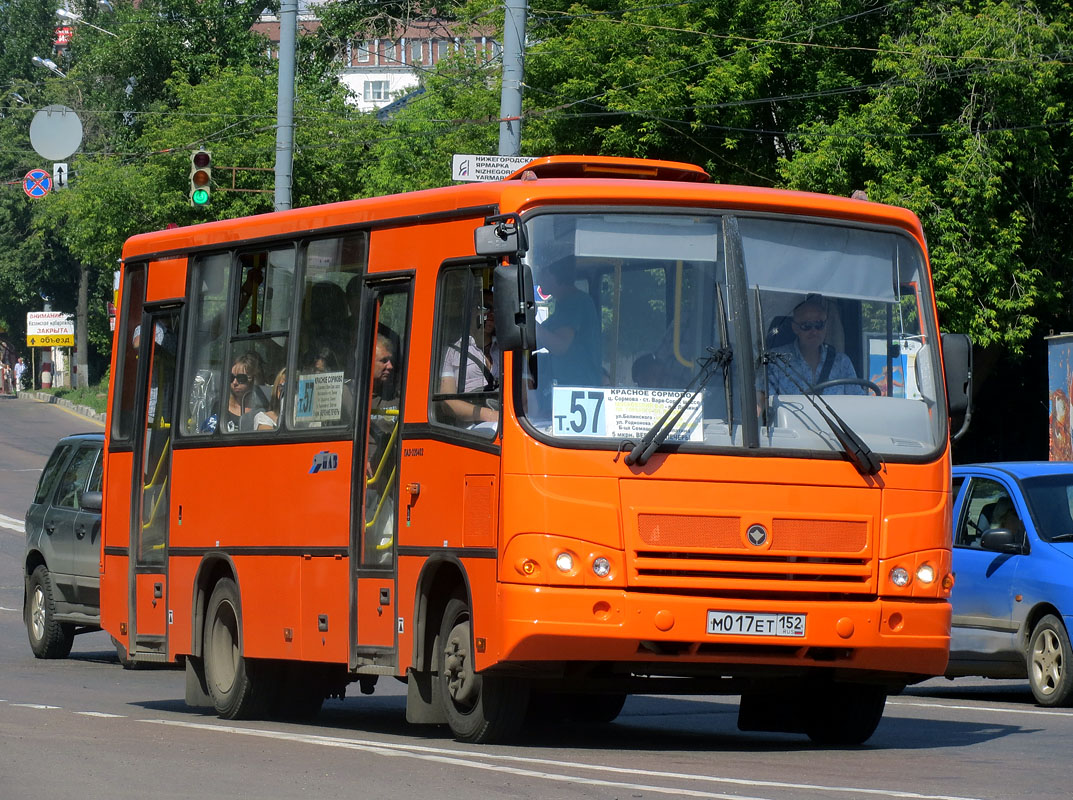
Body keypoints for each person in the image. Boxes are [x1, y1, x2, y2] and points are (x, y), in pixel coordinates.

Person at [765, 294, 864, 397]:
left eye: (819, 325)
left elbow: (859, 403)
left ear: (826, 326)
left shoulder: (842, 362)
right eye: (806, 325)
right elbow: (763, 404)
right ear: (795, 328)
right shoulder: (775, 362)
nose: (814, 331)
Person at [536, 257, 602, 387]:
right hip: (567, 385)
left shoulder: (576, 302)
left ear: (552, 274)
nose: (538, 278)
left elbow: (560, 346)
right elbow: (537, 340)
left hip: (579, 388)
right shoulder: (562, 305)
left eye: (541, 271)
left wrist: (529, 323)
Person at [439, 289, 499, 426]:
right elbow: (447, 402)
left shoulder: (508, 350)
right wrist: (490, 415)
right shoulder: (453, 351)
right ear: (471, 311)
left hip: (507, 426)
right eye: (486, 307)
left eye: (496, 310)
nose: (491, 314)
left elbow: (526, 399)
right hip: (471, 433)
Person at [223, 351, 267, 432]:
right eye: (231, 377)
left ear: (253, 379)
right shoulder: (220, 408)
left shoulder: (264, 409)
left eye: (241, 378)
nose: (235, 383)